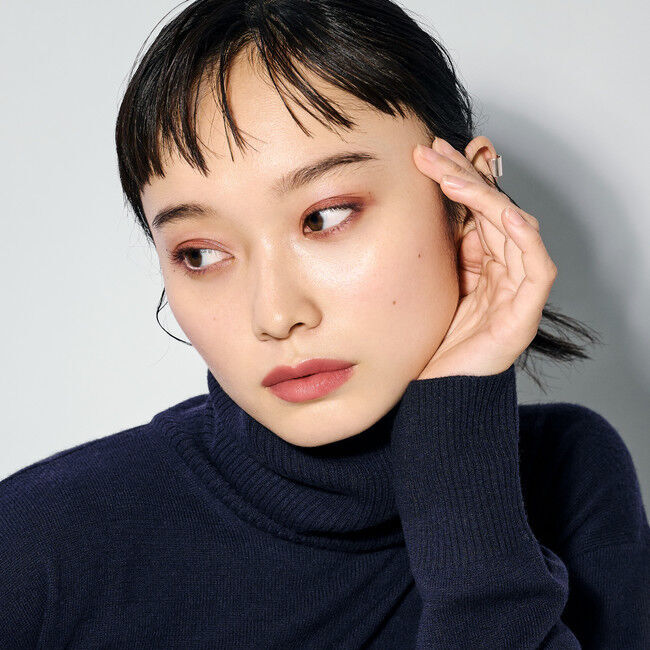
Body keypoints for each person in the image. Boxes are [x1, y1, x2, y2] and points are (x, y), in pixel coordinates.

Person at [2, 0, 648, 647]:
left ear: (469, 199)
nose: (276, 315)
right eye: (199, 253)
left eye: (325, 216)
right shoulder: (39, 546)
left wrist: (458, 453)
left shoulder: (572, 477)